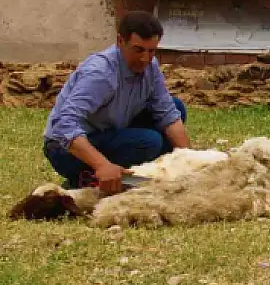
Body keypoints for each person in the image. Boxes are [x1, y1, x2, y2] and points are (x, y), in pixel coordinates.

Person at [43, 11, 191, 195]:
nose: (145, 58)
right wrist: (102, 165)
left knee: (176, 108)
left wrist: (189, 161)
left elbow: (167, 114)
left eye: (151, 51)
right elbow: (63, 126)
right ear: (120, 41)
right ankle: (89, 177)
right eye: (138, 50)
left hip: (110, 132)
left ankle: (140, 177)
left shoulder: (150, 66)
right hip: (65, 150)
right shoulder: (100, 73)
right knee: (148, 142)